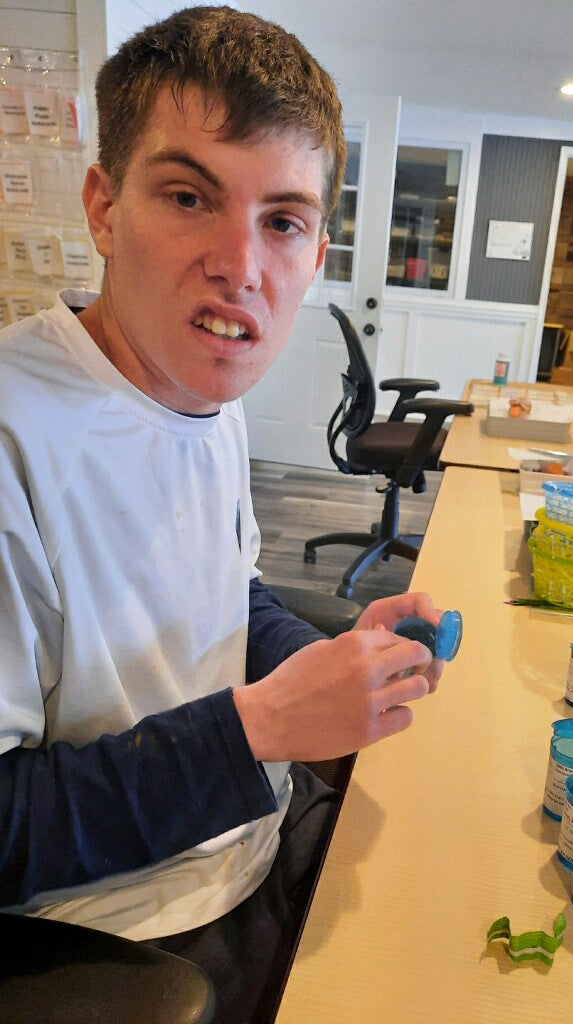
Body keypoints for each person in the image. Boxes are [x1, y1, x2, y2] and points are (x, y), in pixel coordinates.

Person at [0, 7, 445, 1021]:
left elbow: (220, 595)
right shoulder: (16, 439)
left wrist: (325, 660)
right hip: (124, 938)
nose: (241, 265)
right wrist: (260, 731)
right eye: (191, 196)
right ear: (103, 207)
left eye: (281, 219)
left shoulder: (204, 393)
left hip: (256, 832)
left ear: (315, 245)